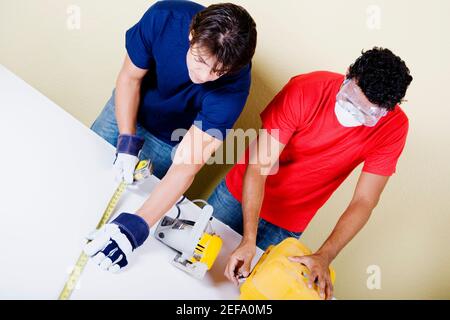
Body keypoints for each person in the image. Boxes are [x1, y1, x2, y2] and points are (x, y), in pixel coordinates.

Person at [207, 47, 413, 299]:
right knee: (198, 262)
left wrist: (324, 255)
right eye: (351, 100)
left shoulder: (394, 128)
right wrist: (248, 239)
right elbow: (260, 167)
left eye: (367, 113)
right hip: (239, 194)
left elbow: (364, 201)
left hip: (289, 222)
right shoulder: (306, 88)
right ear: (348, 75)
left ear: (386, 111)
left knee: (240, 293)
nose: (353, 113)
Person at [85, 1, 257, 273]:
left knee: (130, 200)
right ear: (191, 34)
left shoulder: (235, 85)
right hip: (129, 107)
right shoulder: (165, 17)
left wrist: (136, 228)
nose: (206, 77)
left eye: (219, 71)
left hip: (171, 141)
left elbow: (187, 165)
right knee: (86, 179)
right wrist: (127, 140)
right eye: (200, 61)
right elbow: (129, 79)